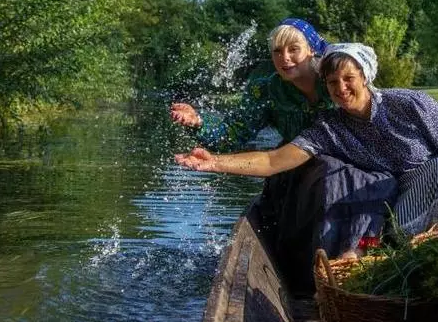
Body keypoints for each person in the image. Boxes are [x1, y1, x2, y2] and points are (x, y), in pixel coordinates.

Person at [176, 43, 438, 238]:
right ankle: (430, 244)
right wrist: (216, 161)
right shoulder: (330, 128)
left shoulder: (410, 103)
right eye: (332, 82)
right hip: (410, 203)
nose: (341, 89)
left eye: (348, 78)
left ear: (365, 76)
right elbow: (273, 160)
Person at [170, 22, 397, 285]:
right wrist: (199, 122)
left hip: (353, 166)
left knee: (366, 183)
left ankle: (353, 260)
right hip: (294, 172)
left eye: (293, 49)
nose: (284, 58)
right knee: (326, 171)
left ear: (312, 50)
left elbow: (370, 111)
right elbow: (234, 132)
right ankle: (312, 275)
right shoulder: (267, 89)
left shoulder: (335, 78)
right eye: (277, 51)